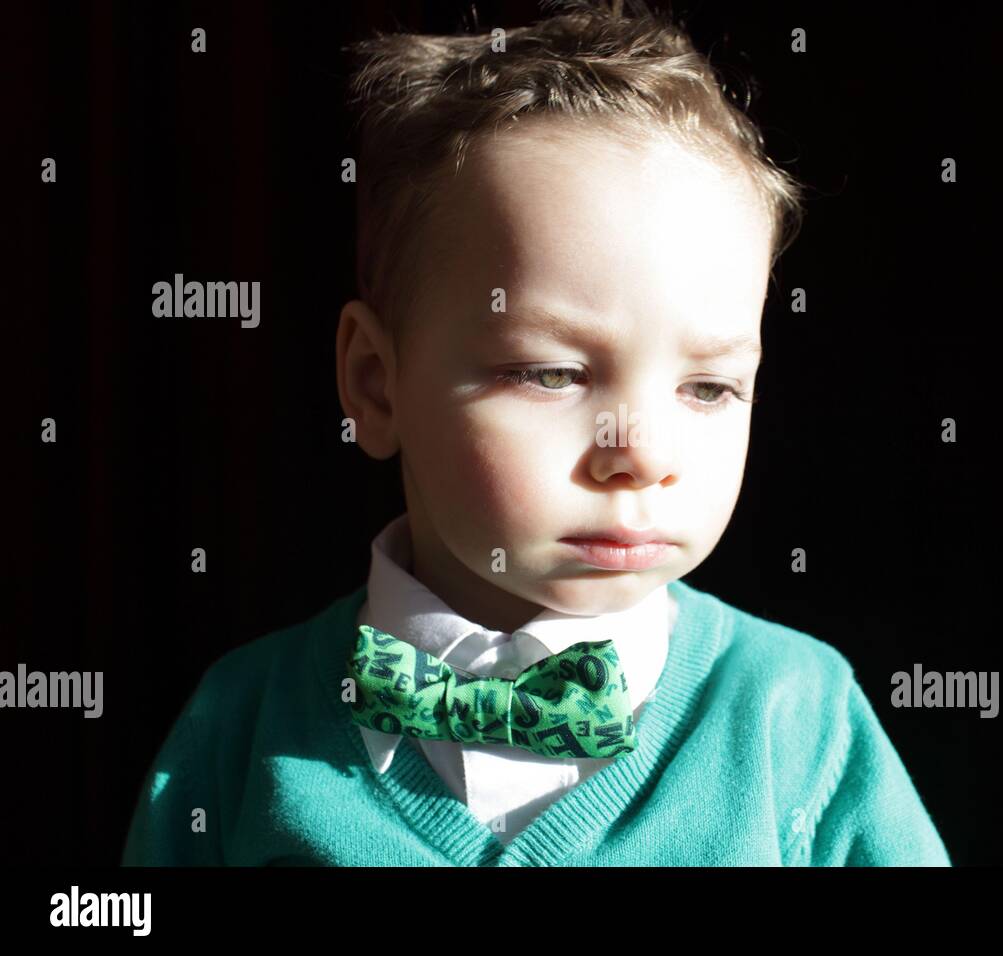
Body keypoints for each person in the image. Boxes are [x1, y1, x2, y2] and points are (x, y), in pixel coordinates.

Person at [121, 0, 950, 867]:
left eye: (707, 386)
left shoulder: (795, 715)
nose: (644, 454)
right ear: (375, 382)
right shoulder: (242, 724)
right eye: (552, 374)